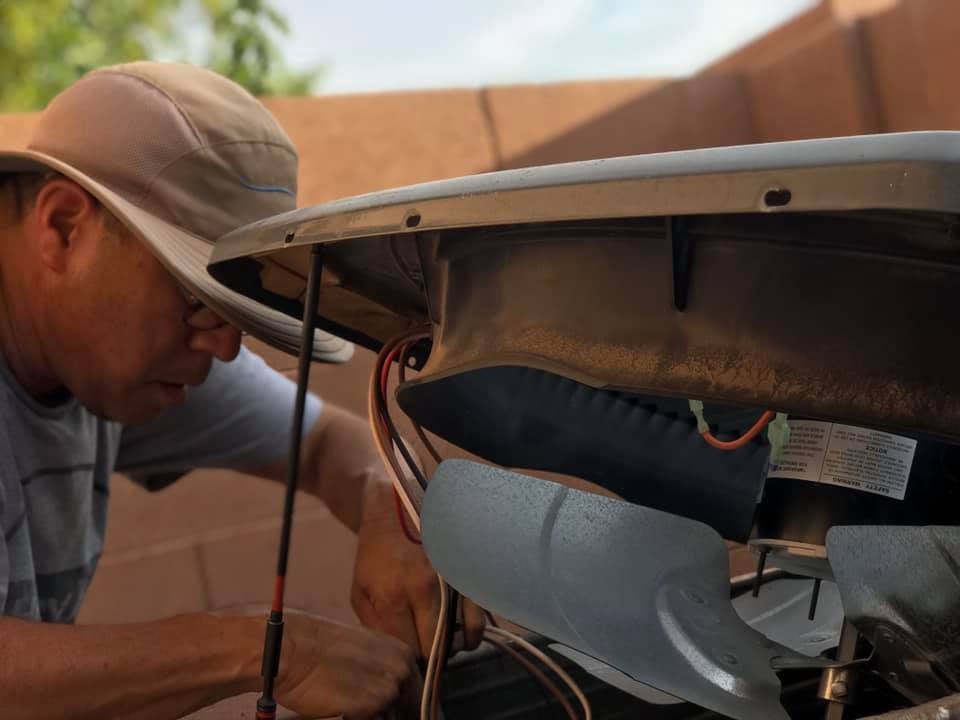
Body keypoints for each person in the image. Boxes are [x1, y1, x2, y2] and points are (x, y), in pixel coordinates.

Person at [0, 61, 483, 719]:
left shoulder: (113, 350)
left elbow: (323, 445)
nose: (224, 347)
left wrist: (385, 509)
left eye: (236, 314)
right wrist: (266, 651)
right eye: (198, 300)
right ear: (64, 228)